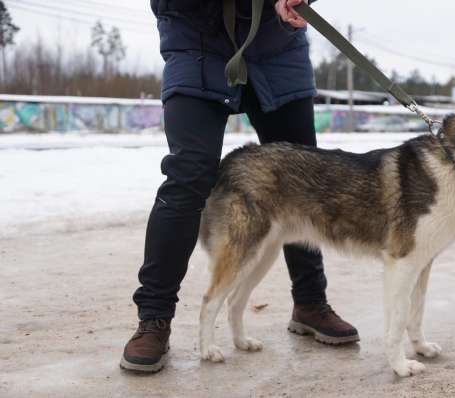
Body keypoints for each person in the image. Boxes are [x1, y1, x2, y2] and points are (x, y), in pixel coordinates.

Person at [120, 0, 359, 373]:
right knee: (188, 175)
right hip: (195, 42)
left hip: (277, 47)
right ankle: (154, 319)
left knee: (305, 176)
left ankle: (310, 302)